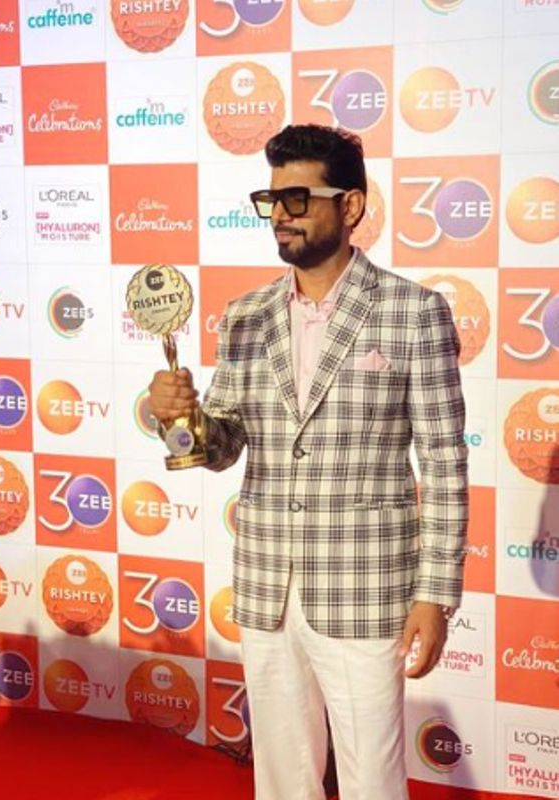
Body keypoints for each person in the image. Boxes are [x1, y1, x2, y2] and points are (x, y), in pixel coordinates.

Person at [148, 124, 468, 800]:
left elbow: (442, 462)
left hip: (364, 587)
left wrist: (436, 594)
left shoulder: (414, 313)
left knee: (371, 779)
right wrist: (179, 418)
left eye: (299, 198)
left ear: (350, 206)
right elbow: (222, 445)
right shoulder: (246, 316)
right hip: (267, 583)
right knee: (283, 778)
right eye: (273, 200)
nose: (282, 216)